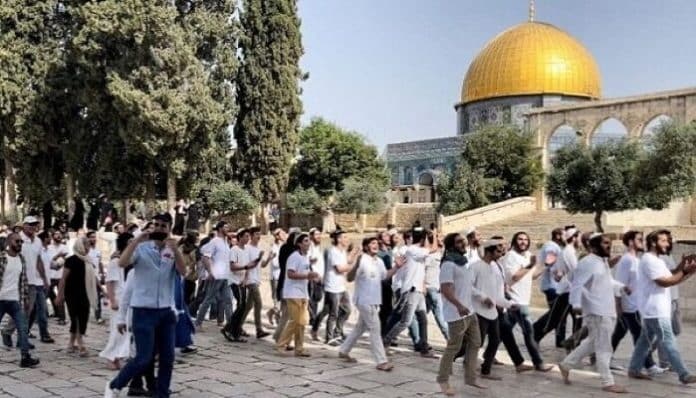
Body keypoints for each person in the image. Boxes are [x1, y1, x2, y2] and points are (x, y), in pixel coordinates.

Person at [105, 213, 186, 398]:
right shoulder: (141, 248)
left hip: (165, 311)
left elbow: (183, 271)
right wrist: (136, 241)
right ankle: (115, 385)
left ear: (169, 228)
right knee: (143, 358)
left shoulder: (171, 250)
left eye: (163, 226)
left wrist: (176, 250)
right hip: (143, 310)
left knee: (167, 358)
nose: (158, 228)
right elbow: (123, 262)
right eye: (156, 224)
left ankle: (162, 393)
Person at [559, 233, 628, 393]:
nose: (609, 246)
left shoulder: (601, 261)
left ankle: (566, 365)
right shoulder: (587, 262)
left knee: (592, 342)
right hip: (596, 310)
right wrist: (575, 304)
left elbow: (607, 281)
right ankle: (607, 382)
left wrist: (621, 287)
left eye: (609, 243)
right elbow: (577, 284)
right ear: (594, 246)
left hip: (606, 308)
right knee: (604, 347)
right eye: (605, 243)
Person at [627, 230, 696, 384]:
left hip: (655, 310)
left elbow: (671, 275)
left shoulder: (657, 260)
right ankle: (684, 374)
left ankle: (634, 369)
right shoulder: (649, 259)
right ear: (653, 242)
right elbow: (664, 282)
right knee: (669, 341)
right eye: (663, 241)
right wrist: (685, 271)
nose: (667, 243)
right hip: (655, 310)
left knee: (644, 342)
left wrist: (685, 268)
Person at [338, 237, 400, 371]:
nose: (375, 245)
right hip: (364, 300)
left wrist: (396, 267)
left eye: (377, 243)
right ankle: (381, 361)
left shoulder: (379, 262)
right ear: (366, 247)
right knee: (375, 328)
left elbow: (385, 276)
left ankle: (344, 350)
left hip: (374, 300)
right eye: (372, 243)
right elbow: (349, 278)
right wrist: (356, 263)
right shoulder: (362, 260)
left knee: (360, 328)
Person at [436, 233, 485, 396]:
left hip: (469, 311)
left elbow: (468, 286)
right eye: (459, 242)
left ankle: (470, 377)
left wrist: (482, 297)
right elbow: (445, 289)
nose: (464, 244)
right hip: (456, 313)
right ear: (451, 246)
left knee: (476, 342)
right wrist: (459, 305)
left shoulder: (463, 263)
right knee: (453, 347)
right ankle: (443, 380)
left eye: (464, 241)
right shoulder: (448, 264)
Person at [499, 232, 553, 372]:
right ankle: (538, 363)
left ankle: (490, 357)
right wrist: (530, 265)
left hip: (523, 299)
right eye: (520, 239)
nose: (523, 242)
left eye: (525, 240)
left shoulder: (528, 255)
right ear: (514, 241)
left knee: (504, 332)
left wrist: (546, 265)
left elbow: (532, 276)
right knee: (529, 332)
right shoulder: (510, 256)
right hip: (515, 300)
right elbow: (515, 277)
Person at [382, 227, 438, 358]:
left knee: (423, 319)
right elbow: (434, 249)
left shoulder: (417, 251)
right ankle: (385, 342)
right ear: (423, 238)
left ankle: (424, 348)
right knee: (405, 321)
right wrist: (434, 235)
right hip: (411, 290)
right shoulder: (413, 250)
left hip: (417, 290)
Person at [610, 231, 659, 373]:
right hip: (628, 306)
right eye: (639, 239)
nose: (642, 242)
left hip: (636, 305)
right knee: (640, 335)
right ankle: (649, 365)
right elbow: (619, 283)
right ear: (630, 242)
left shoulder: (637, 260)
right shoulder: (626, 260)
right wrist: (618, 306)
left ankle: (604, 359)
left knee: (619, 333)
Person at [2, 216, 54, 346]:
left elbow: (38, 260)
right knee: (23, 311)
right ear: (24, 225)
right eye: (30, 224)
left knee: (31, 311)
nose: (32, 227)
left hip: (35, 281)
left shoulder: (37, 241)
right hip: (21, 281)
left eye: (35, 224)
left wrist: (45, 279)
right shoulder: (17, 238)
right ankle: (15, 336)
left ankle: (15, 335)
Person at [275, 233, 320, 357]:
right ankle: (281, 344)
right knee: (295, 321)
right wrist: (307, 276)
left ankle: (299, 348)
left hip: (303, 293)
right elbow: (290, 274)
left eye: (308, 241)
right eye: (305, 241)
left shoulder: (305, 257)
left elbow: (306, 273)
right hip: (292, 293)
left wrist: (314, 277)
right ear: (299, 244)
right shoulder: (294, 257)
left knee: (303, 322)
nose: (308, 243)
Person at [0, 232, 40, 368]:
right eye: (17, 241)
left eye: (21, 242)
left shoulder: (21, 259)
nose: (20, 244)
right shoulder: (2, 258)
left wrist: (26, 298)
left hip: (15, 300)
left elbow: (23, 280)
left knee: (23, 328)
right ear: (9, 242)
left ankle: (25, 357)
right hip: (1, 299)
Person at [311, 229, 356, 346]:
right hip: (332, 287)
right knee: (333, 313)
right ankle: (329, 337)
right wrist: (354, 268)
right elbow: (339, 269)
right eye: (345, 237)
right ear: (339, 239)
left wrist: (356, 254)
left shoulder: (342, 252)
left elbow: (347, 261)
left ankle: (336, 332)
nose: (347, 240)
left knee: (346, 310)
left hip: (341, 286)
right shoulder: (333, 252)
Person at [56, 237, 98, 357]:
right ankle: (81, 343)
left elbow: (94, 278)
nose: (88, 248)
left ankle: (70, 343)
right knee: (75, 317)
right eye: (86, 245)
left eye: (89, 245)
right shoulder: (71, 260)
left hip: (85, 293)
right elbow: (63, 279)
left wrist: (103, 291)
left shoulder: (88, 261)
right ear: (80, 246)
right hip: (72, 293)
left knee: (83, 317)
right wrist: (60, 295)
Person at [99, 233, 132, 369]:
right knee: (116, 330)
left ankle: (118, 357)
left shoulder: (130, 260)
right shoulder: (115, 262)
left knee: (126, 331)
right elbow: (110, 282)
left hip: (127, 299)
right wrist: (112, 300)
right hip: (118, 299)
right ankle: (110, 357)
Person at [194, 222, 233, 331]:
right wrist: (210, 272)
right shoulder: (215, 242)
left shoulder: (226, 243)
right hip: (216, 275)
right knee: (208, 299)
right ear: (220, 229)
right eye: (225, 227)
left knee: (228, 300)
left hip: (225, 276)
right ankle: (198, 323)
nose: (228, 228)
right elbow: (205, 257)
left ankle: (231, 326)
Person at [239, 226, 272, 339]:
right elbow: (247, 265)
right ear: (251, 236)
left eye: (260, 234)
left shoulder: (258, 249)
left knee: (249, 306)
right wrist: (245, 279)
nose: (259, 236)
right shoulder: (247, 248)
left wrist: (268, 258)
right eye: (256, 234)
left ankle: (238, 325)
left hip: (256, 280)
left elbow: (262, 265)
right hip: (250, 280)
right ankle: (259, 329)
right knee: (259, 303)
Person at [537, 228, 565, 347]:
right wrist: (556, 272)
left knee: (560, 315)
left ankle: (560, 341)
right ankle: (536, 333)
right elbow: (549, 259)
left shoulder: (555, 246)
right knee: (555, 315)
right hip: (552, 286)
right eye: (564, 235)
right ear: (558, 236)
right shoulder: (552, 246)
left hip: (555, 286)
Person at [267, 228, 286, 325]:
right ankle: (278, 320)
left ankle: (271, 312)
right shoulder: (273, 248)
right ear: (277, 236)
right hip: (275, 277)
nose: (285, 235)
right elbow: (275, 263)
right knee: (277, 299)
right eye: (282, 234)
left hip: (283, 277)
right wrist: (285, 263)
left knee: (283, 299)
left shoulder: (284, 247)